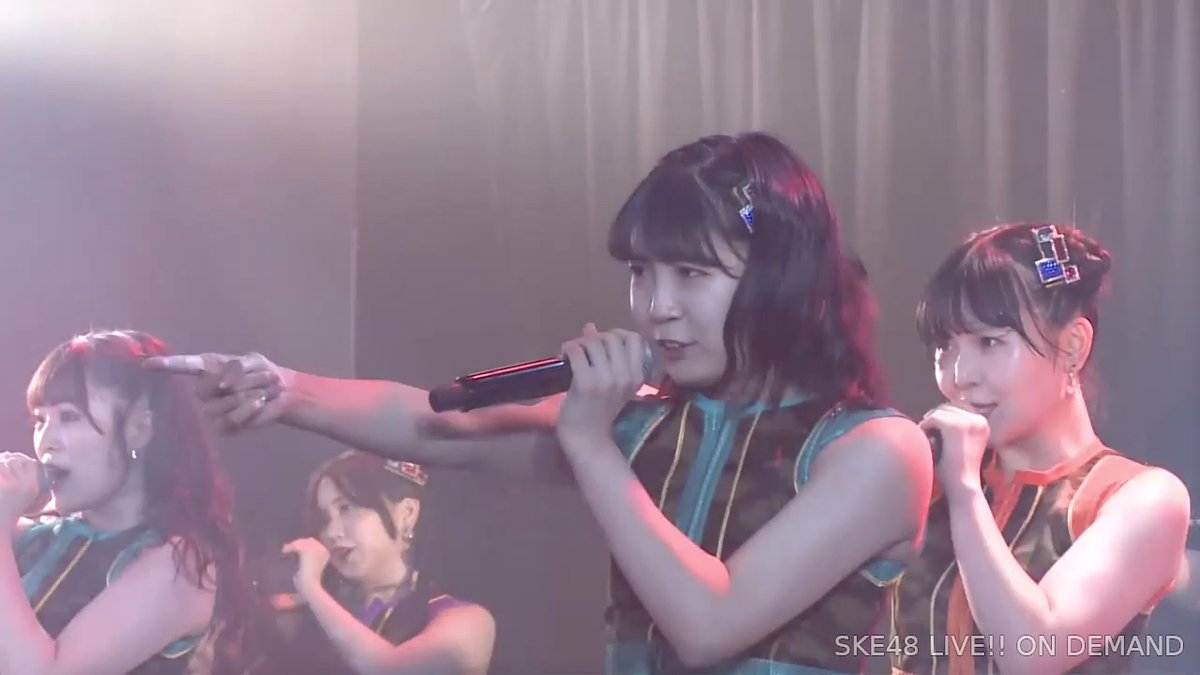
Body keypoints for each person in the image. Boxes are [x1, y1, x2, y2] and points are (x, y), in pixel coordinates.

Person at [148, 132, 934, 674]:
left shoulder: (873, 451)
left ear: (778, 279)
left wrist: (591, 441)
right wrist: (285, 388)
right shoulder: (651, 422)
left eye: (691, 275)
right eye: (642, 273)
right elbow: (436, 426)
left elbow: (708, 624)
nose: (656, 306)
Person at [890, 224, 1191, 674]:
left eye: (989, 342)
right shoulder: (928, 482)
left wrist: (966, 493)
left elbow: (1032, 652)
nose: (959, 375)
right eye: (944, 345)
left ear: (1073, 347)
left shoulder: (1141, 498)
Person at [0, 329, 255, 675]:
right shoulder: (36, 536)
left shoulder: (176, 565)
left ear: (138, 428)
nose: (46, 441)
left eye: (69, 417)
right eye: (40, 421)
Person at [256, 450, 495, 674]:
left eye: (346, 508)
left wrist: (312, 589)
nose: (331, 532)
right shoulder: (310, 613)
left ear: (407, 514)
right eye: (324, 519)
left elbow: (393, 670)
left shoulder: (466, 621)